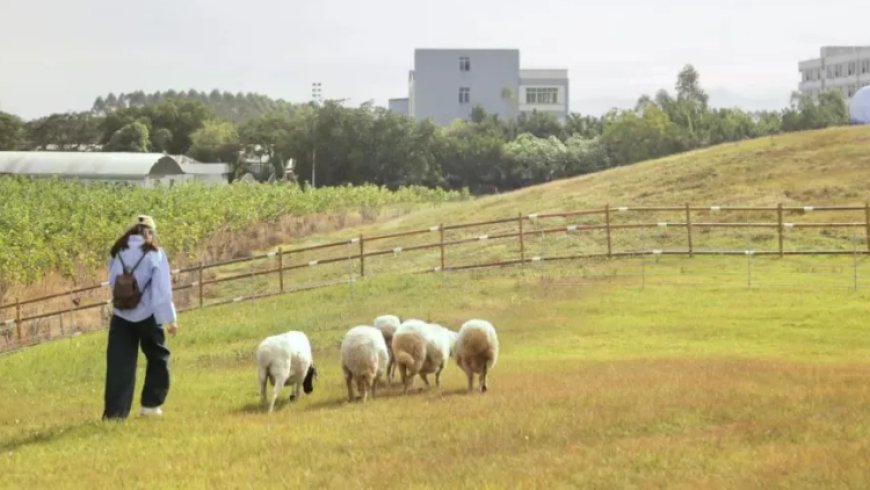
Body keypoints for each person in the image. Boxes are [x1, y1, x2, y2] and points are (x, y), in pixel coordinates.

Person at [103, 215, 179, 420]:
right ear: (150, 232)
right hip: (148, 315)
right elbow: (162, 291)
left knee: (119, 364)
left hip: (121, 315)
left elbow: (112, 280)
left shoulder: (118, 250)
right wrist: (170, 320)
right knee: (158, 358)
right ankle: (150, 406)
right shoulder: (155, 254)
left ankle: (115, 414)